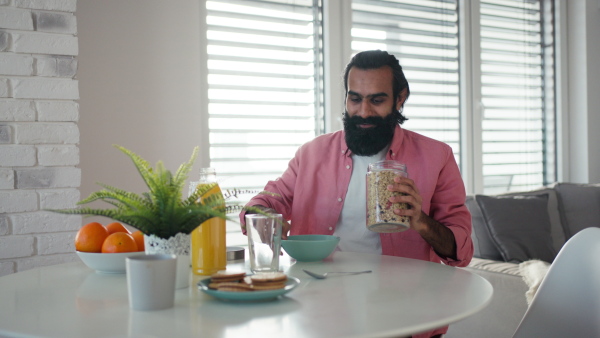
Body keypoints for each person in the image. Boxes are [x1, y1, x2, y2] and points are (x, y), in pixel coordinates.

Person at [240, 50, 473, 338]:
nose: (363, 112)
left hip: (405, 312)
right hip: (321, 309)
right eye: (355, 98)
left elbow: (460, 252)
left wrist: (421, 221)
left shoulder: (437, 156)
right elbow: (266, 201)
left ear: (400, 98)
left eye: (377, 100)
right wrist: (262, 219)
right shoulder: (312, 153)